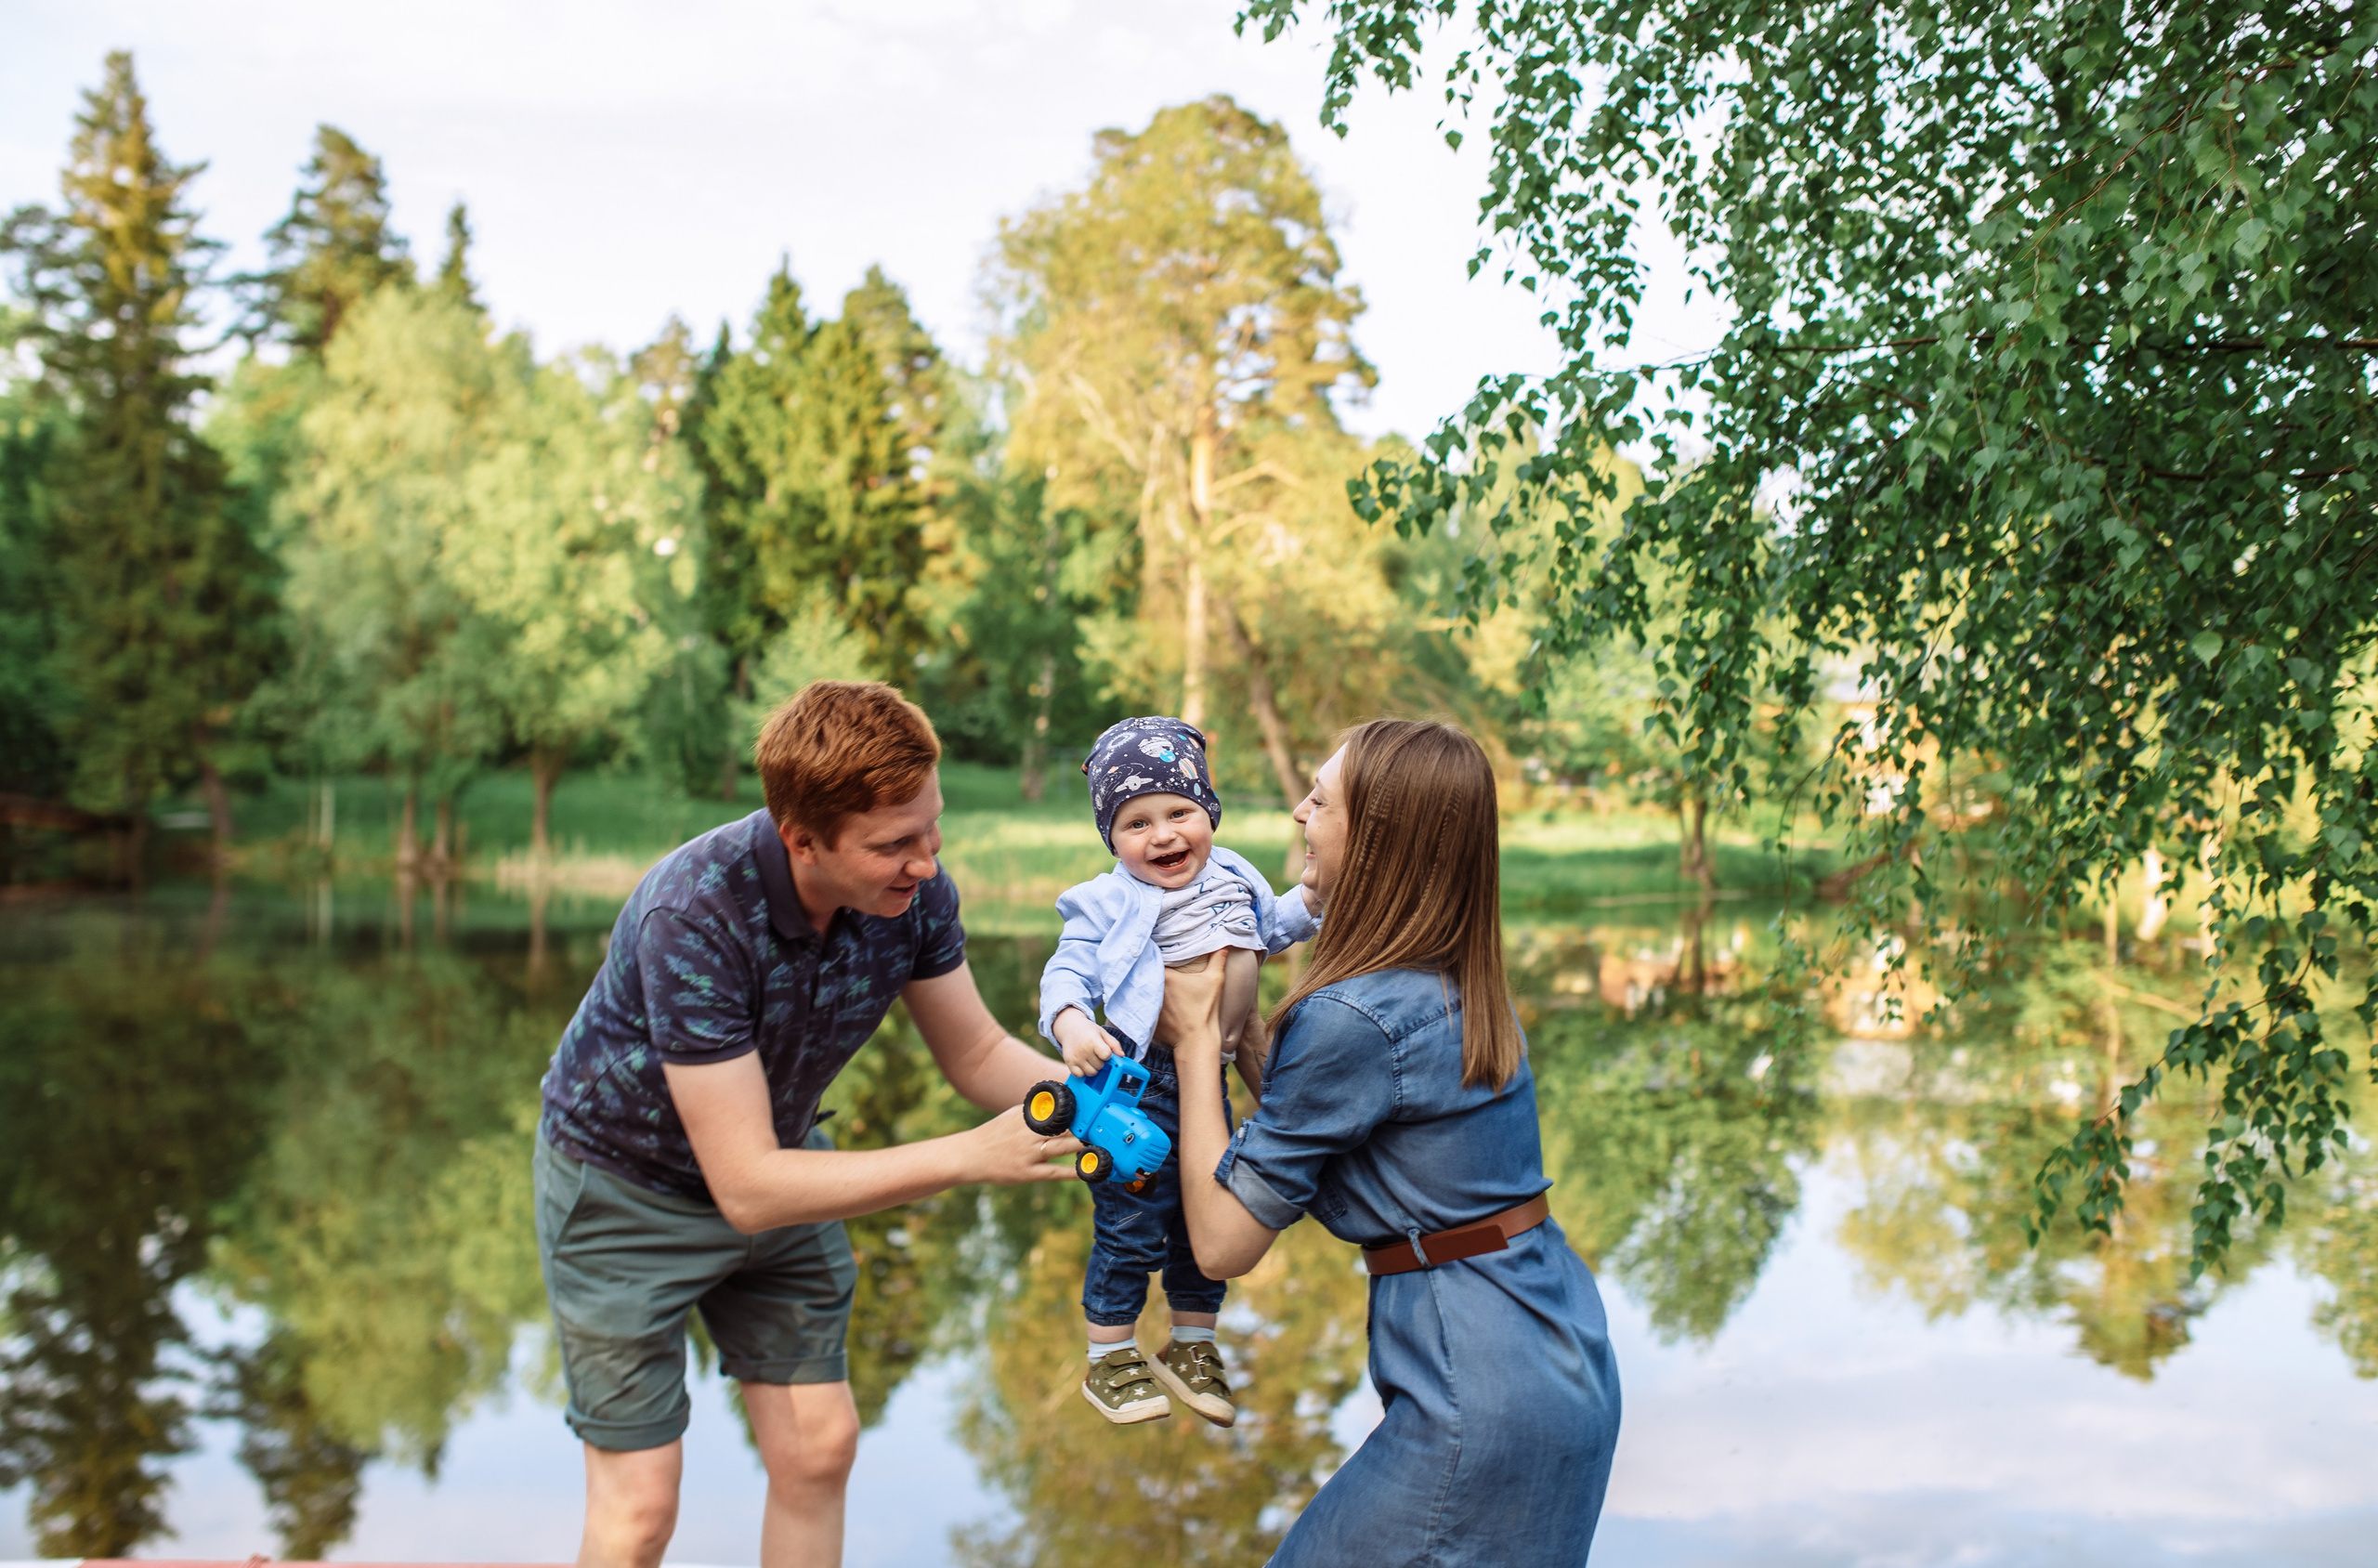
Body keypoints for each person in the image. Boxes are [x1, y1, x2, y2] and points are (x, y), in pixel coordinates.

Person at [533, 681, 1079, 1568]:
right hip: (626, 1194)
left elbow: (978, 1052)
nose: (927, 862)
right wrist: (974, 1157)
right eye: (895, 844)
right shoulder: (696, 913)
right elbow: (745, 1189)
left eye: (932, 828)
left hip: (781, 1161)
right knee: (639, 1512)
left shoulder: (913, 894)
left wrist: (1094, 1100)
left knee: (819, 1448)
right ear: (803, 841)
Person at [1160, 718, 1622, 1566]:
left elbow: (1223, 1243)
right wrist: (1246, 1027)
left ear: (1375, 845)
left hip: (1478, 1395)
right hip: (1556, 1356)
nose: (1299, 813)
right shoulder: (1453, 980)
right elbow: (1323, 1122)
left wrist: (1194, 1046)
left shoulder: (1356, 1017)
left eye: (1321, 799)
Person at [1037, 716, 1319, 1427]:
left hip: (1212, 1074)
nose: (1162, 835)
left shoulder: (1234, 876)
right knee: (1132, 1221)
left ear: (1208, 815)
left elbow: (1274, 927)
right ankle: (1109, 1355)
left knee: (1207, 1216)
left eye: (1179, 813)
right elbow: (1066, 970)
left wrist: (1317, 897)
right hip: (1141, 1080)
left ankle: (1192, 1343)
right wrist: (1071, 1022)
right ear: (1112, 837)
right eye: (1136, 823)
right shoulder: (1107, 899)